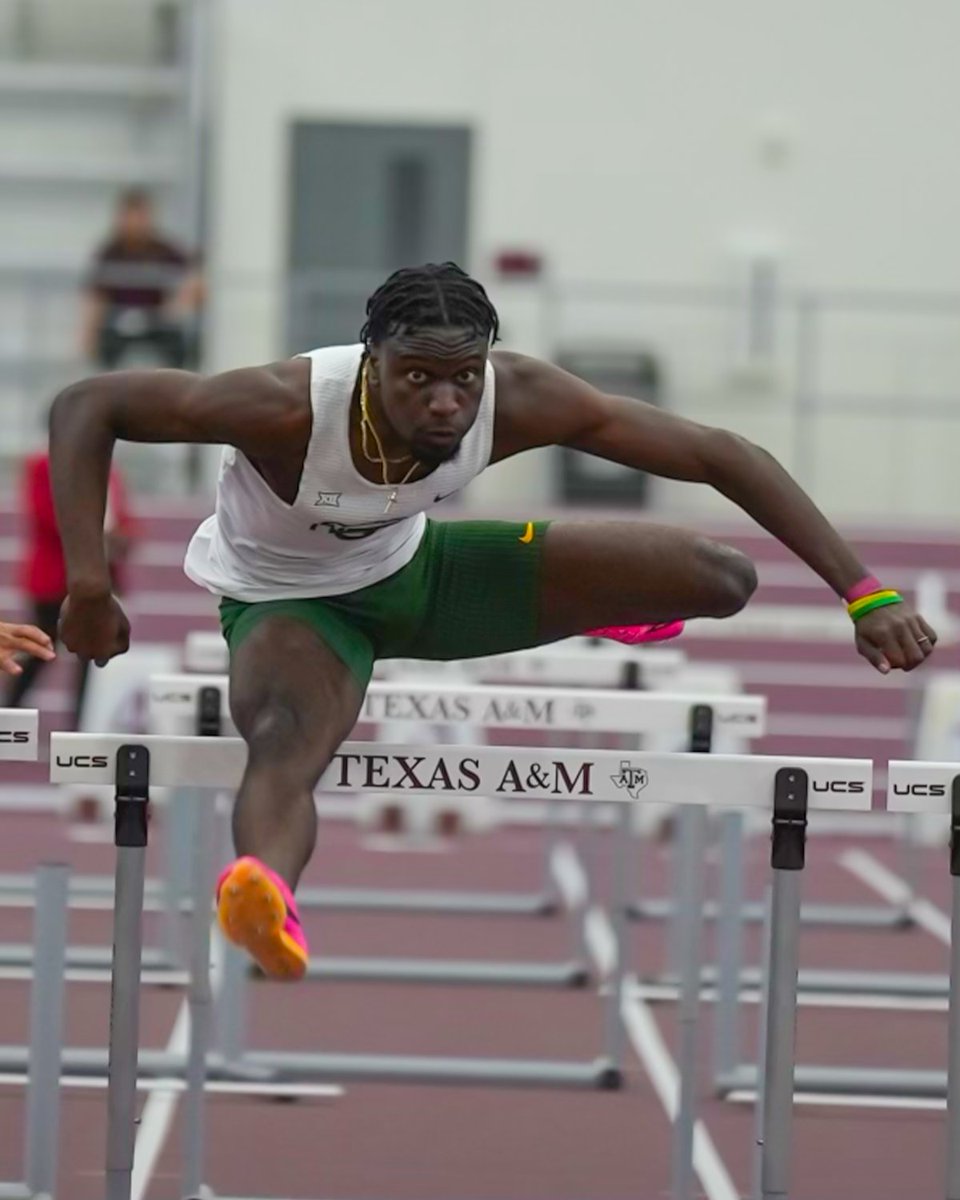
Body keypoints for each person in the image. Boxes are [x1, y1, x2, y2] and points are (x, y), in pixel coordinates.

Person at [48, 262, 937, 982]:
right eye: (417, 379)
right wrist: (89, 584)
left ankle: (596, 613)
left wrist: (865, 593)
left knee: (721, 575)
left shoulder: (515, 398)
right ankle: (264, 891)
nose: (444, 403)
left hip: (421, 571)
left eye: (461, 378)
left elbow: (720, 454)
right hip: (293, 606)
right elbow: (88, 406)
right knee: (285, 738)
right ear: (372, 363)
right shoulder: (282, 407)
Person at [5, 446, 134, 725]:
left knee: (91, 654)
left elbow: (122, 515)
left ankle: (79, 724)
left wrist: (122, 535)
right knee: (40, 646)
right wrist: (100, 533)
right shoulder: (42, 465)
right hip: (55, 577)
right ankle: (9, 710)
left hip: (98, 580)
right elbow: (45, 514)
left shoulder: (107, 467)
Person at [80, 187, 203, 371]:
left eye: (141, 216)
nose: (136, 223)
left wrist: (178, 304)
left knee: (180, 350)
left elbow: (193, 278)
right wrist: (87, 335)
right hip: (118, 324)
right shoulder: (110, 253)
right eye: (131, 216)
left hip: (158, 322)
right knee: (105, 352)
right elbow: (96, 297)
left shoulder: (164, 250)